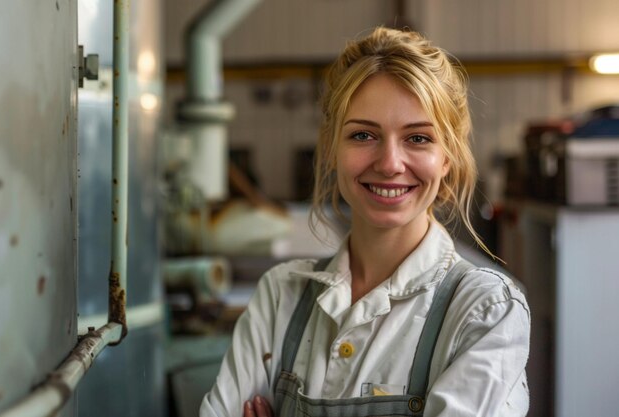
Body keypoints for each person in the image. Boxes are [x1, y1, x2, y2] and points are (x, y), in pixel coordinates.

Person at [199, 27, 530, 417]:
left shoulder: (485, 309)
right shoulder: (280, 297)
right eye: (362, 135)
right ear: (331, 149)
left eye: (418, 138)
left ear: (448, 157)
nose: (390, 163)